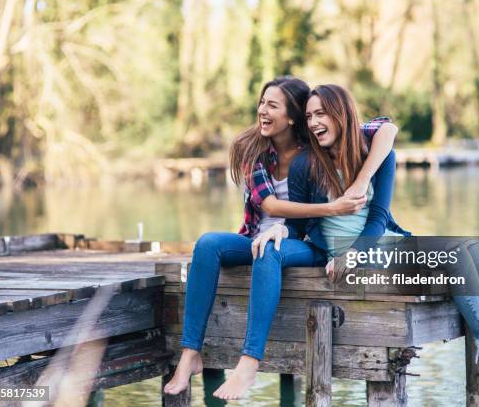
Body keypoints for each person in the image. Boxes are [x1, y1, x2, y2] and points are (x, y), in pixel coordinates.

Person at [269, 84, 479, 391]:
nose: (314, 122)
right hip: (355, 261)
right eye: (309, 117)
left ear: (341, 114)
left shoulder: (377, 155)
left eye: (321, 113)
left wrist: (357, 252)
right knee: (457, 255)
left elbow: (379, 217)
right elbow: (299, 224)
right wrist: (284, 230)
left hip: (380, 247)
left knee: (475, 247)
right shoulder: (305, 165)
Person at [163, 76, 399, 399]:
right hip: (257, 237)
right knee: (207, 244)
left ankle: (249, 363)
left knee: (269, 251)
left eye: (272, 105)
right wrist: (332, 208)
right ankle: (190, 353)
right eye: (262, 102)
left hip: (300, 243)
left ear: (291, 117)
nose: (262, 110)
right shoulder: (255, 151)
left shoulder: (312, 150)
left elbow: (385, 130)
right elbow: (270, 205)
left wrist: (360, 182)